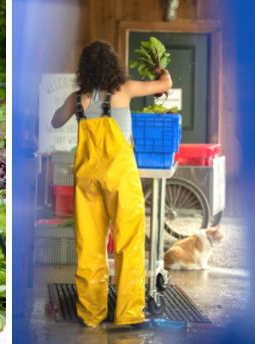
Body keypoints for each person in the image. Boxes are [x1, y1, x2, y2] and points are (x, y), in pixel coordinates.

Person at [51, 40, 172, 327]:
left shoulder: (76, 98)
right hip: (120, 180)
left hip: (87, 182)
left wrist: (74, 105)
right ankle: (128, 313)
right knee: (129, 242)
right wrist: (160, 71)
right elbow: (164, 83)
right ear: (112, 66)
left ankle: (91, 313)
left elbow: (56, 122)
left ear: (84, 70)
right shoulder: (124, 90)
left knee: (90, 245)